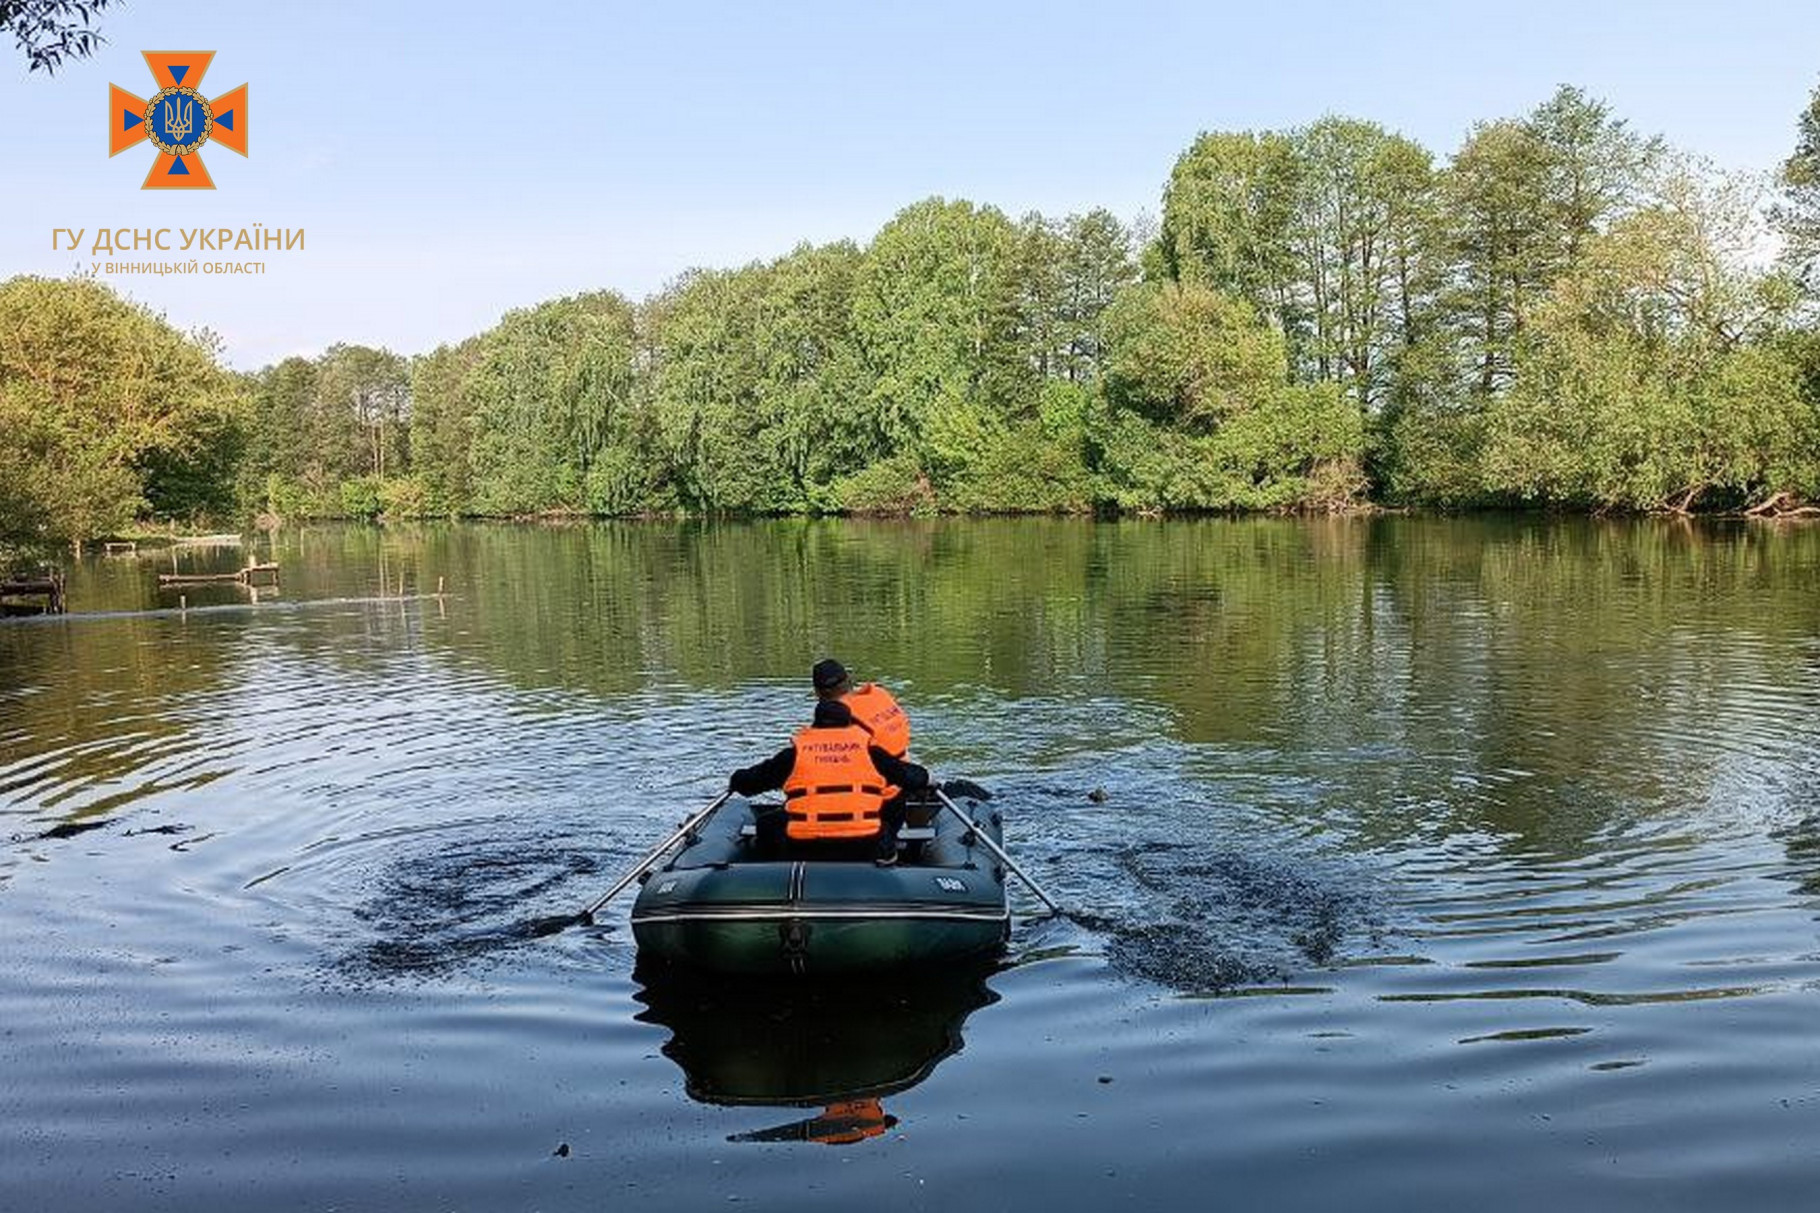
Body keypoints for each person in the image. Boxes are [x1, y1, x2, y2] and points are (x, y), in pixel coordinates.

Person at [728, 697, 930, 865]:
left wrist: (736, 779)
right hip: (864, 845)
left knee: (766, 824)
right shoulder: (871, 753)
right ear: (850, 724)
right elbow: (915, 778)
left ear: (814, 724)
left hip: (805, 846)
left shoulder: (794, 754)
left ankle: (774, 876)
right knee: (884, 824)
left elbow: (750, 784)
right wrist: (924, 776)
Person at [811, 657, 935, 830]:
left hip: (873, 803)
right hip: (900, 791)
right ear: (849, 681)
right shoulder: (878, 695)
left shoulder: (839, 720)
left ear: (818, 693)